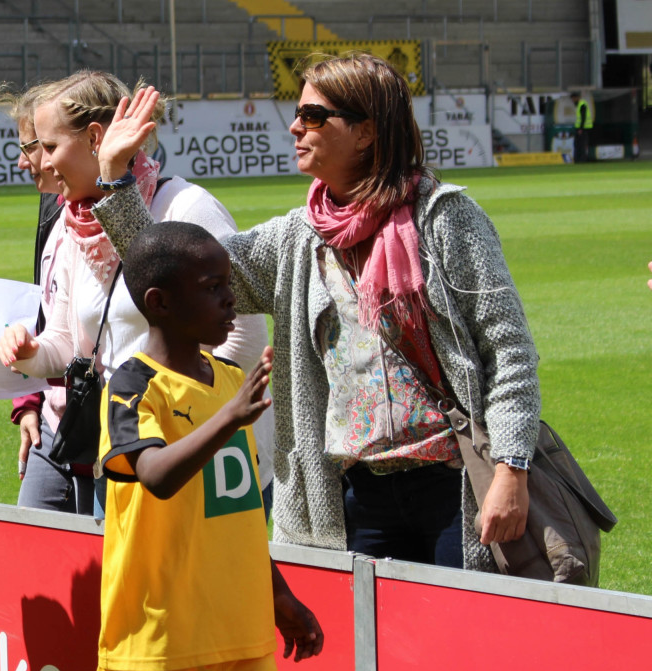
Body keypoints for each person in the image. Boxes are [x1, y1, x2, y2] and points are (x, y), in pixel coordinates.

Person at [93, 54, 539, 572]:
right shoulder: (298, 237)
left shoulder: (444, 219)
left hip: (454, 485)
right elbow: (175, 274)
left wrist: (511, 467)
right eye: (298, 113)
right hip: (355, 496)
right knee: (366, 628)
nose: (295, 127)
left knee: (458, 626)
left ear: (366, 132)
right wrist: (116, 179)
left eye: (313, 116)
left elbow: (509, 349)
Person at [0, 70, 274, 517]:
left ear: (94, 138)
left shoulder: (185, 208)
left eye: (49, 146)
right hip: (128, 449)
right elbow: (68, 342)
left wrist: (175, 414)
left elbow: (242, 339)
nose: (40, 162)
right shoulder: (71, 224)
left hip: (202, 453)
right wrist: (29, 353)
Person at [98, 221, 322, 671]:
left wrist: (279, 596)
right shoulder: (133, 386)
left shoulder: (231, 380)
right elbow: (156, 476)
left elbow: (238, 511)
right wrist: (229, 418)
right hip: (161, 642)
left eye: (229, 284)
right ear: (160, 302)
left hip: (242, 634)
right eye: (212, 287)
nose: (230, 299)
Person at [0, 81, 88, 505]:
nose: (24, 161)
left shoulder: (138, 209)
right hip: (54, 417)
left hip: (105, 424)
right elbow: (47, 311)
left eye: (33, 147)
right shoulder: (54, 206)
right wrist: (29, 401)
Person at [570, 91, 593, 164]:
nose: (572, 100)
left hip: (584, 128)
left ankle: (582, 160)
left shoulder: (582, 104)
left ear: (577, 98)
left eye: (573, 98)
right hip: (580, 128)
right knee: (577, 144)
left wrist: (581, 128)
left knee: (582, 145)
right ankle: (577, 160)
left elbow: (583, 117)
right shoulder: (578, 105)